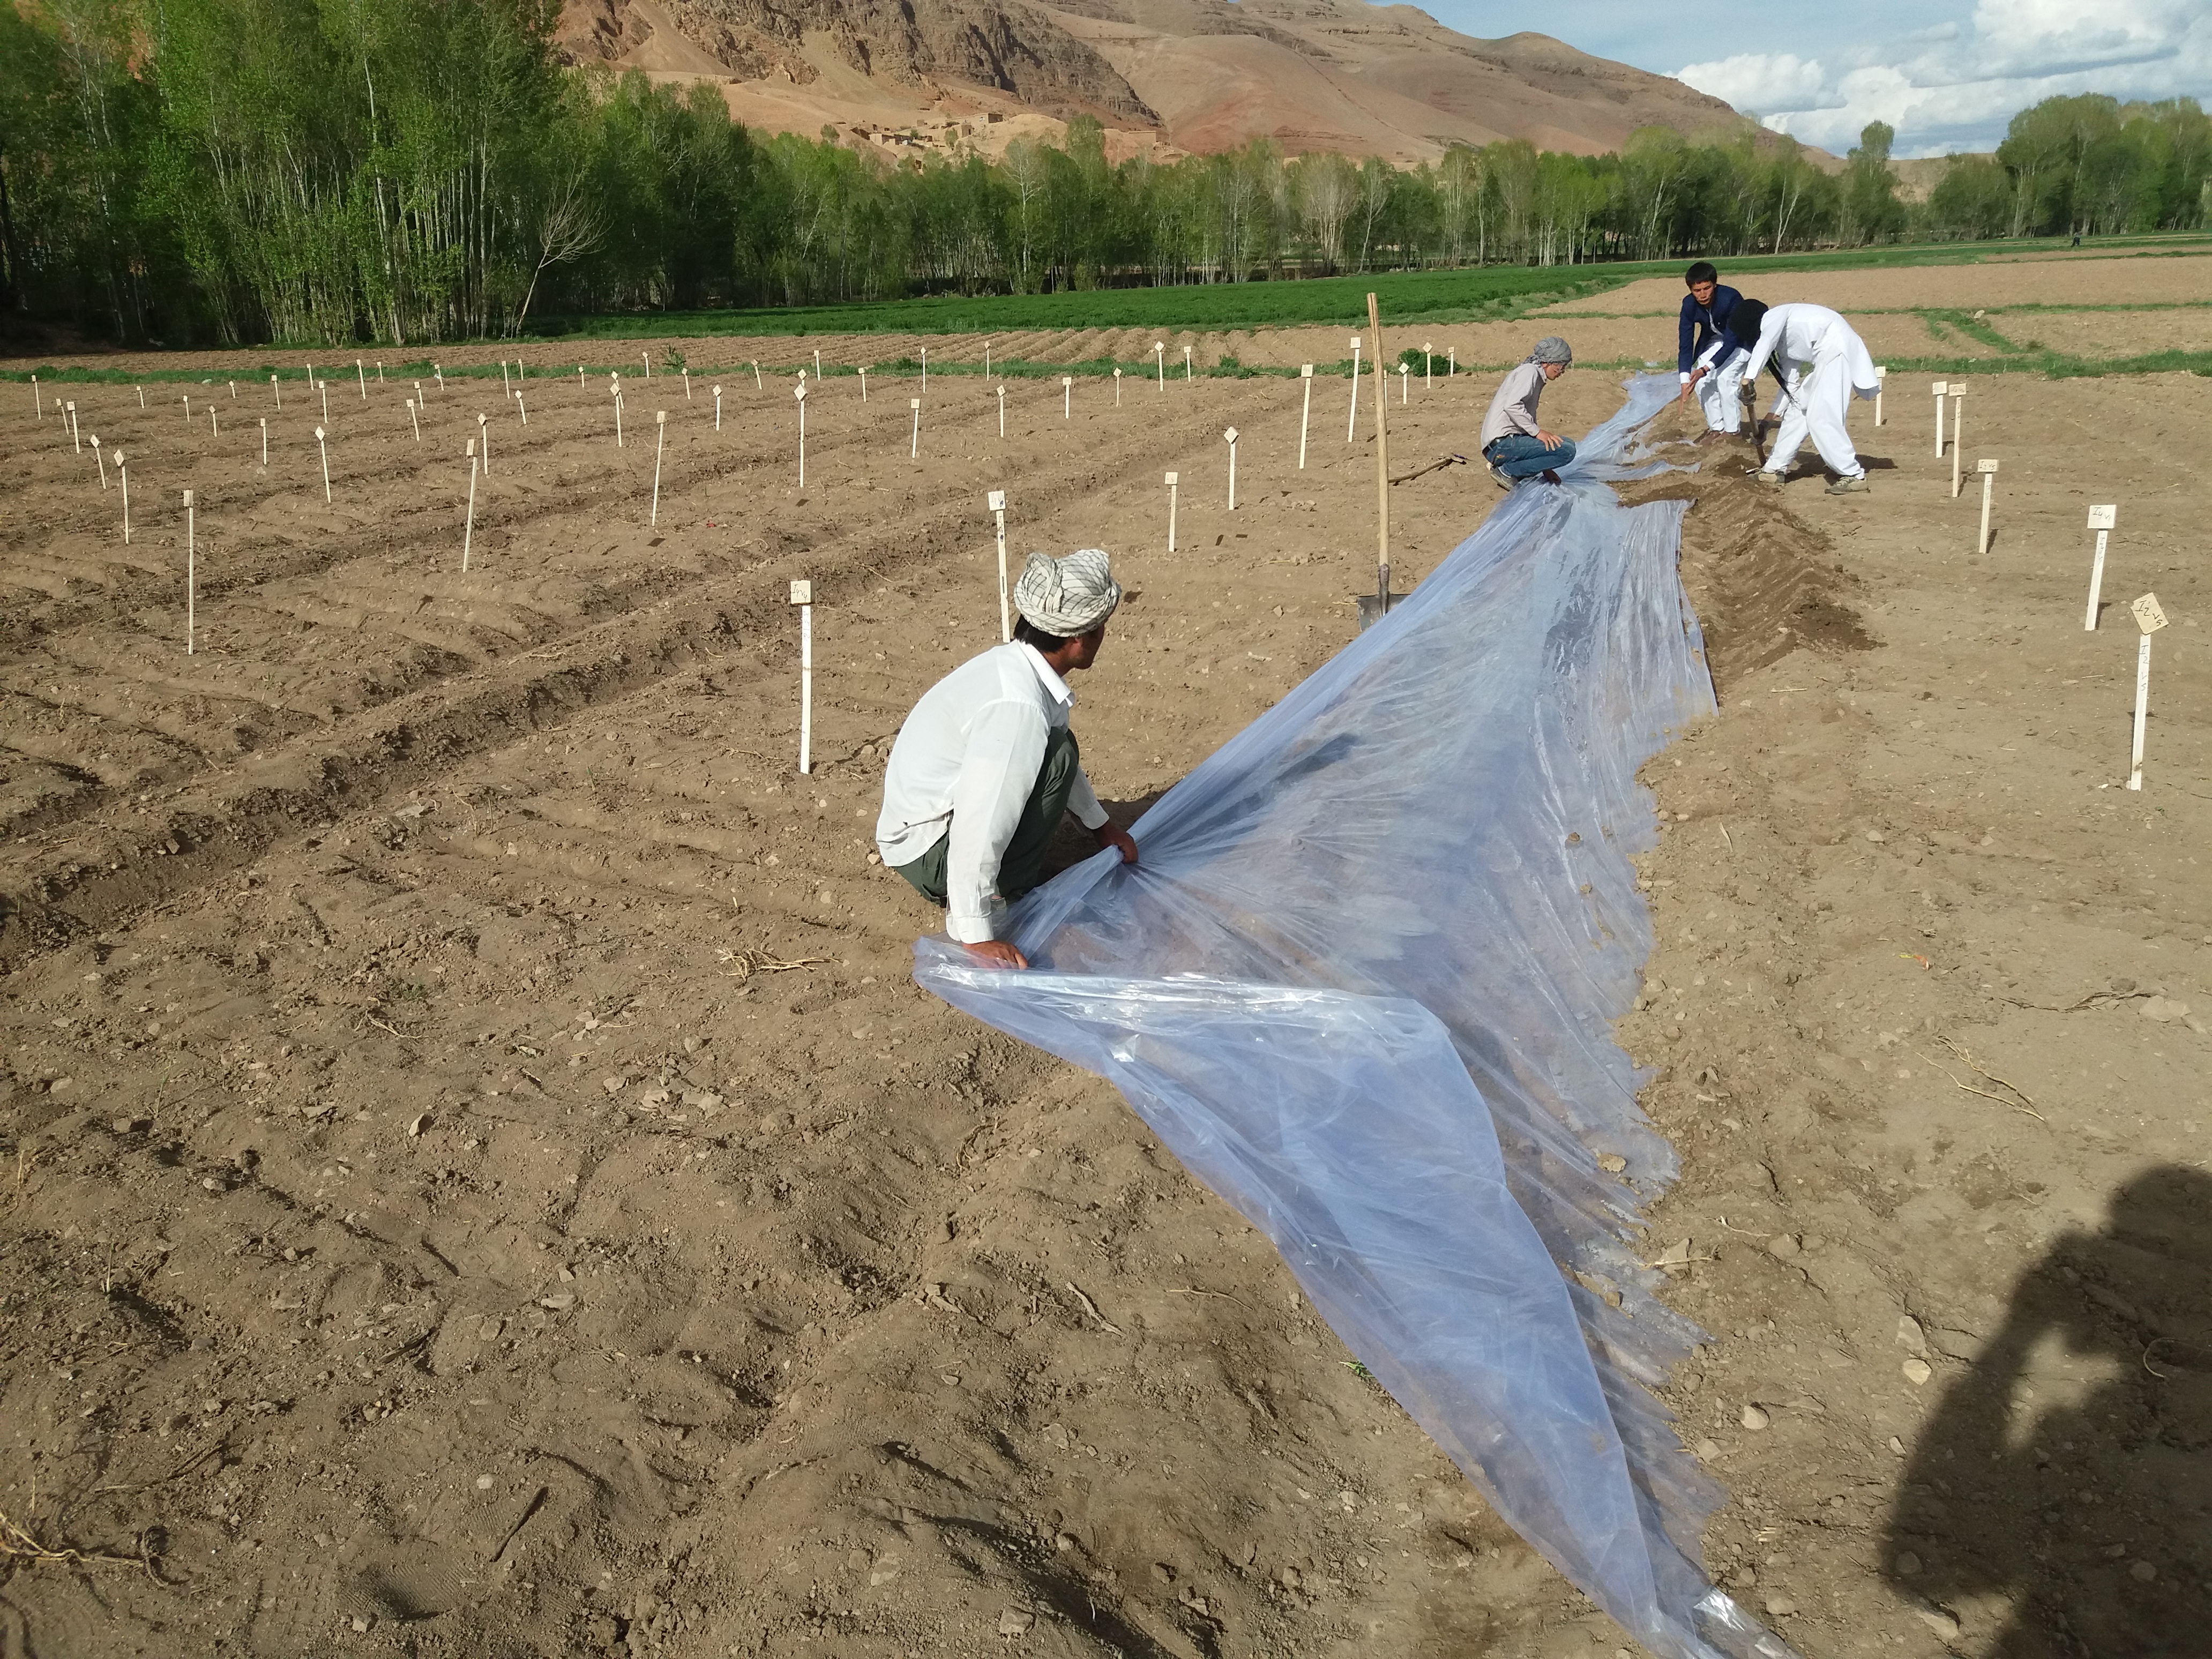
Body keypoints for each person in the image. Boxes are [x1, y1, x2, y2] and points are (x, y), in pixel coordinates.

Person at [876, 548, 1139, 969]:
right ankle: (1006, 892)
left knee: (1057, 751)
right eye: (1101, 629)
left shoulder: (1020, 670)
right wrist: (977, 934)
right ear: (1077, 639)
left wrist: (1101, 827)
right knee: (1054, 758)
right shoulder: (1018, 707)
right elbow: (981, 827)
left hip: (922, 826)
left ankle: (1002, 880)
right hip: (926, 850)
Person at [1733, 298, 1878, 495]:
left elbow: (1765, 343)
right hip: (1825, 357)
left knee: (1821, 418)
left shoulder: (1772, 317)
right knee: (1799, 407)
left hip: (1837, 350)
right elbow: (1790, 388)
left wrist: (1749, 379)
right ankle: (1774, 469)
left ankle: (1854, 475)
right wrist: (1767, 422)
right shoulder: (1782, 344)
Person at [1481, 337, 1575, 487]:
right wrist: (1538, 433)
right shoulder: (1529, 372)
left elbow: (1526, 418)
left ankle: (1509, 468)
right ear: (1549, 362)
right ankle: (1507, 471)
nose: (1562, 371)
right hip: (1501, 445)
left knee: (1565, 445)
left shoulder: (1534, 374)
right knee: (1567, 450)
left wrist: (1546, 468)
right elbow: (1512, 406)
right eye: (1562, 366)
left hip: (1506, 443)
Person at [1676, 260, 1745, 440]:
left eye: (1707, 288)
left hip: (1742, 341)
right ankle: (1717, 429)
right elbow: (1685, 344)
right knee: (1700, 382)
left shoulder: (1731, 298)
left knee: (1725, 379)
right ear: (1690, 290)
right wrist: (1685, 381)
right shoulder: (1689, 305)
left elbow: (1731, 342)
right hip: (1715, 341)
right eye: (1696, 291)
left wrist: (1704, 369)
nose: (1702, 295)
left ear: (1715, 285)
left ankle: (1732, 432)